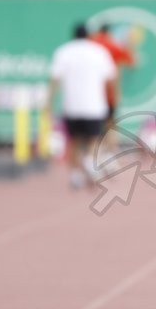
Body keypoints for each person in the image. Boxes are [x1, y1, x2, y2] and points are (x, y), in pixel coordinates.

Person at [48, 24, 117, 189]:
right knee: (94, 139)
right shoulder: (99, 52)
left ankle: (75, 175)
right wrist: (111, 100)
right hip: (94, 106)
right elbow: (111, 79)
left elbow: (54, 80)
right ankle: (89, 161)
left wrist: (48, 103)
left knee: (74, 141)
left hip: (71, 106)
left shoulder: (63, 52)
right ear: (88, 35)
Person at [90, 24, 136, 169]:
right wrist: (130, 44)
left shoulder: (91, 44)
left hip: (91, 94)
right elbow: (131, 62)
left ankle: (93, 158)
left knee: (93, 127)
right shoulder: (113, 45)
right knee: (111, 125)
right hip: (109, 94)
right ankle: (110, 156)